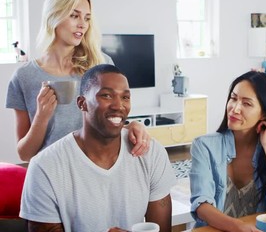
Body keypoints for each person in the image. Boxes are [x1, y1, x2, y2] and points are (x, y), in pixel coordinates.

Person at [19, 64, 176, 232]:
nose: (118, 106)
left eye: (125, 97)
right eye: (106, 95)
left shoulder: (151, 154)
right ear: (82, 103)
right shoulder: (45, 167)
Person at [5, 0, 149, 162]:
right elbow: (25, 154)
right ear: (54, 16)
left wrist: (132, 125)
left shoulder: (101, 64)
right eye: (74, 16)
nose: (82, 24)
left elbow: (110, 121)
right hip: (51, 174)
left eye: (87, 18)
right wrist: (41, 118)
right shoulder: (24, 77)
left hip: (97, 168)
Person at [190, 71, 266, 231]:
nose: (235, 109)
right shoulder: (204, 146)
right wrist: (238, 227)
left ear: (265, 113)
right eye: (233, 98)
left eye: (246, 103)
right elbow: (201, 205)